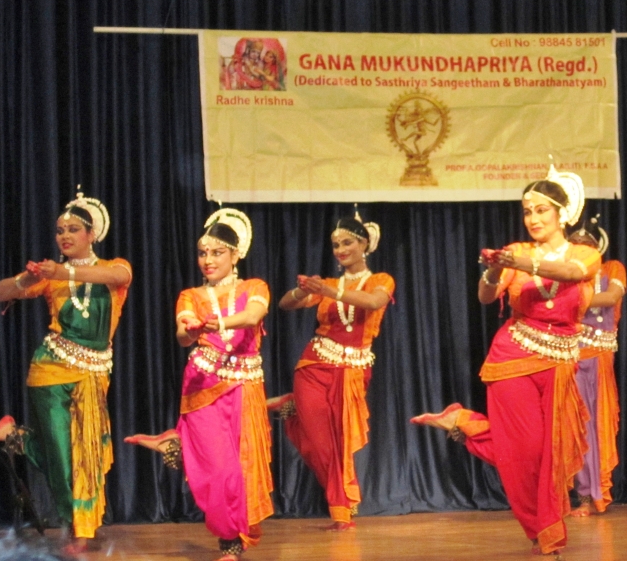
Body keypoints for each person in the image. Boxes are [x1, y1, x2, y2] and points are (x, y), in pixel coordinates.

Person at [411, 164, 599, 556]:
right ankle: (543, 531)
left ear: (562, 213)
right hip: (513, 357)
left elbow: (569, 272)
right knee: (525, 452)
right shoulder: (517, 252)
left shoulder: (584, 252)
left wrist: (520, 264)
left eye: (542, 210)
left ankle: (463, 423)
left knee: (548, 452)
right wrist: (495, 268)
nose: (533, 219)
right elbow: (484, 297)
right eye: (527, 211)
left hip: (560, 363)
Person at [0, 191, 132, 555]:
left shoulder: (114, 268)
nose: (64, 236)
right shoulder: (50, 276)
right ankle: (76, 529)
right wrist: (27, 281)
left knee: (87, 453)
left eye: (73, 229)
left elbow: (116, 274)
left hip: (93, 372)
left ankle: (15, 436)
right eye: (60, 230)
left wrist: (65, 271)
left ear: (92, 234)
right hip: (49, 370)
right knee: (61, 459)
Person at [125, 208, 273, 560]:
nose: (207, 259)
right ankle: (183, 448)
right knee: (217, 472)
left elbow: (253, 317)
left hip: (244, 387)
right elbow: (182, 334)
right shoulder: (190, 294)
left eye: (217, 252)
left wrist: (213, 327)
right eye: (203, 252)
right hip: (202, 386)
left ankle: (231, 544)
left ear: (236, 255)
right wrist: (191, 330)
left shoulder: (255, 287)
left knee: (240, 469)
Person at [267, 210, 394, 531]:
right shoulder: (328, 284)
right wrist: (304, 289)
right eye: (335, 244)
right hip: (314, 365)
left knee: (338, 442)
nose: (339, 250)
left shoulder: (380, 280)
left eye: (347, 242)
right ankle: (342, 505)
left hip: (352, 372)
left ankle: (342, 504)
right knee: (319, 443)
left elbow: (373, 302)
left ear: (364, 243)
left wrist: (328, 291)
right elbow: (285, 304)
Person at [567, 215, 625, 517]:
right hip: (570, 359)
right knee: (575, 428)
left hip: (599, 359)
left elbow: (611, 297)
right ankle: (581, 496)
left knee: (596, 426)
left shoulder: (613, 269)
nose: (580, 251)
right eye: (574, 247)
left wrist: (571, 299)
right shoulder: (564, 276)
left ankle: (596, 494)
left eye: (585, 247)